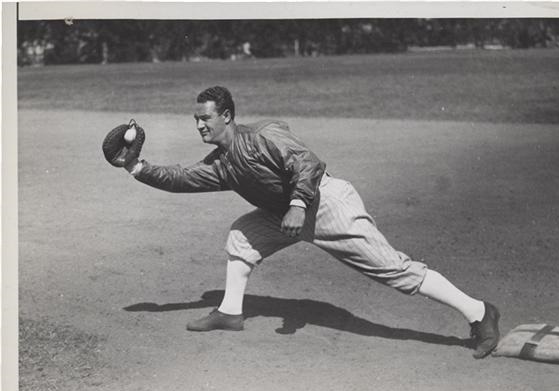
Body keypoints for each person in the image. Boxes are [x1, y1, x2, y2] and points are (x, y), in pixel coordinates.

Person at [122, 86, 500, 359]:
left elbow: (308, 164)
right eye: (196, 120)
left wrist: (299, 204)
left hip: (326, 203)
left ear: (226, 116)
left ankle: (480, 312)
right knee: (242, 236)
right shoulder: (220, 165)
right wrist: (135, 167)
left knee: (394, 270)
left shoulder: (264, 135)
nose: (200, 126)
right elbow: (180, 179)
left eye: (205, 118)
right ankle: (230, 312)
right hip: (286, 214)